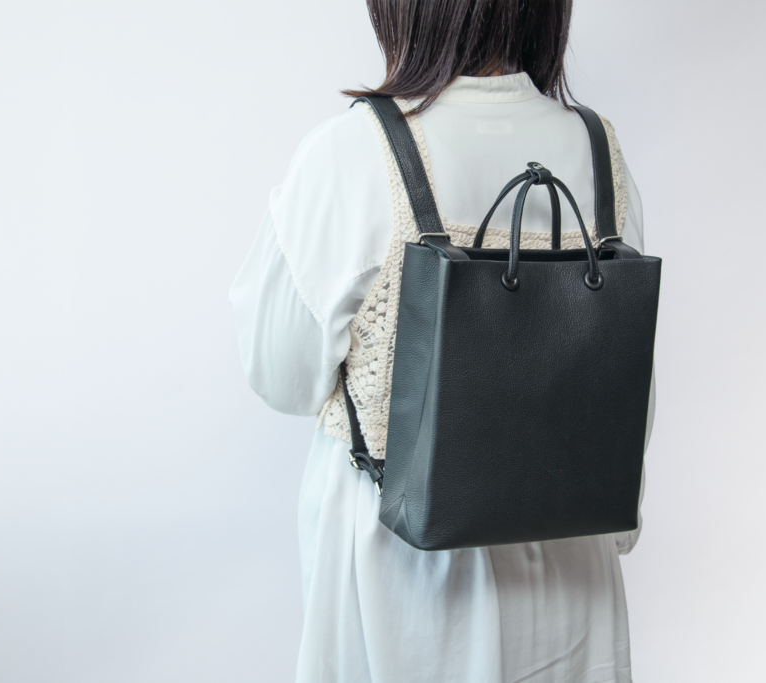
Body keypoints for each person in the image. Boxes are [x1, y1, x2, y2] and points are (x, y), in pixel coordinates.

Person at [230, 1, 655, 680]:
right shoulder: (599, 150)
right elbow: (629, 390)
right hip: (572, 576)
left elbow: (278, 374)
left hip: (404, 586)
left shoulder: (351, 154)